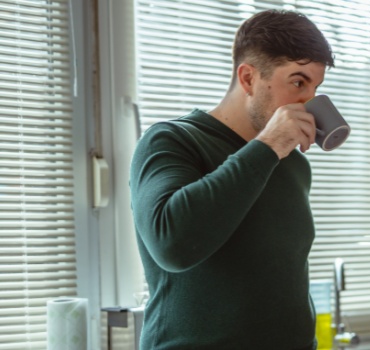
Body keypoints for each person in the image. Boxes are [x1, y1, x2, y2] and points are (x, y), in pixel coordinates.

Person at [129, 9, 335, 349]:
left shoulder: (292, 164)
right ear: (248, 78)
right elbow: (172, 244)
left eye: (316, 87)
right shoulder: (171, 141)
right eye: (298, 82)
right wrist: (267, 146)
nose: (310, 101)